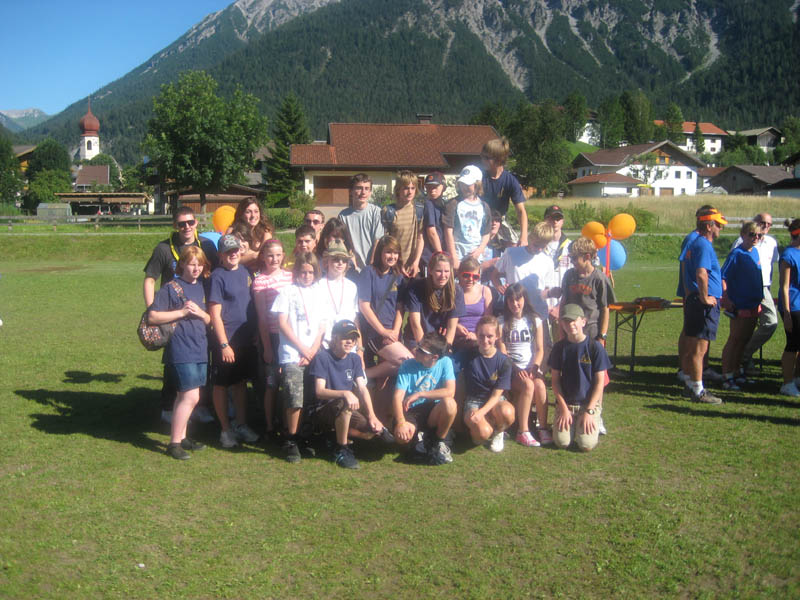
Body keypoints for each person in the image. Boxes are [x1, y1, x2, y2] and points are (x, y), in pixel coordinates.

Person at [143, 206, 218, 425]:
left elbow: (214, 274)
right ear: (175, 226)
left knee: (203, 359)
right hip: (173, 313)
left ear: (196, 223)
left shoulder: (206, 245)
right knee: (174, 362)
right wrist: (153, 309)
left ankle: (201, 405)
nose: (186, 227)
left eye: (190, 222)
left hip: (200, 311)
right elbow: (150, 279)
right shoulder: (164, 248)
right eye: (181, 223)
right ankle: (168, 406)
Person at [147, 246, 212, 460]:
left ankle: (182, 437)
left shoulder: (201, 286)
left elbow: (209, 319)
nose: (196, 268)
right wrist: (181, 312)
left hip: (199, 348)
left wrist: (201, 313)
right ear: (182, 264)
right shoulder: (170, 288)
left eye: (200, 264)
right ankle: (174, 443)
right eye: (192, 264)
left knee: (184, 396)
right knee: (191, 396)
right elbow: (152, 317)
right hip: (180, 348)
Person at [308, 320, 388, 469]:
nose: (350, 341)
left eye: (353, 338)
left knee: (371, 431)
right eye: (345, 337)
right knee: (345, 403)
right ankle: (342, 449)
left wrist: (372, 416)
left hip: (345, 408)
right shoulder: (322, 357)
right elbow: (319, 391)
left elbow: (363, 388)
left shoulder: (355, 359)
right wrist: (345, 393)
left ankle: (331, 438)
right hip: (322, 409)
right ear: (334, 338)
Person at [271, 252, 326, 462]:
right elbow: (282, 324)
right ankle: (291, 439)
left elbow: (322, 327)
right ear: (296, 272)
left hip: (313, 354)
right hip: (293, 354)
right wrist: (302, 349)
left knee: (310, 398)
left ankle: (304, 436)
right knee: (294, 397)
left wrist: (312, 351)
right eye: (303, 272)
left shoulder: (319, 292)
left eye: (310, 272)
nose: (307, 276)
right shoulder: (287, 292)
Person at [208, 235, 260, 448]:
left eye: (236, 250)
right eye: (228, 251)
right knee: (221, 385)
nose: (233, 254)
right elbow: (215, 314)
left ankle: (241, 424)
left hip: (245, 339)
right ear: (220, 255)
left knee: (240, 384)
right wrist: (223, 344)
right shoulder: (217, 277)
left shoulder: (246, 272)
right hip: (227, 341)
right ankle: (225, 430)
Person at [680, 208, 728, 404]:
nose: (720, 228)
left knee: (693, 347)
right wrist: (704, 297)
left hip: (695, 301)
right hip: (702, 305)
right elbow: (701, 273)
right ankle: (698, 390)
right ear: (709, 226)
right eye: (718, 225)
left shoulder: (697, 243)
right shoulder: (703, 245)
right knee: (699, 349)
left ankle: (691, 384)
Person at [549, 304, 612, 452]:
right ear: (561, 324)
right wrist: (563, 408)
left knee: (585, 444)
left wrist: (590, 410)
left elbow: (600, 383)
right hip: (567, 404)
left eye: (573, 320)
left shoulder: (595, 347)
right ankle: (570, 423)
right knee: (562, 442)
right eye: (566, 321)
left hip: (588, 404)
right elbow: (555, 381)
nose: (570, 324)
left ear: (583, 322)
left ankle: (593, 419)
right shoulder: (559, 348)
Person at [498, 283, 552, 447]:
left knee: (540, 386)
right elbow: (503, 352)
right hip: (512, 369)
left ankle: (542, 428)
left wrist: (534, 367)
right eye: (511, 300)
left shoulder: (535, 320)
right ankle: (523, 431)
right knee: (528, 385)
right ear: (506, 302)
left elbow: (540, 349)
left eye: (518, 299)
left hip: (530, 367)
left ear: (524, 299)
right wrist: (516, 369)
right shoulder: (502, 322)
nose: (515, 304)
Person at [392, 331, 457, 465]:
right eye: (418, 346)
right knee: (402, 437)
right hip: (412, 411)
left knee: (450, 404)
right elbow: (398, 396)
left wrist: (420, 394)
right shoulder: (407, 365)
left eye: (421, 351)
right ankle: (422, 437)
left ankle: (438, 442)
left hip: (433, 409)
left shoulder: (445, 362)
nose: (416, 350)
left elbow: (450, 391)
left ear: (434, 357)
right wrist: (400, 422)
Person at [252, 239, 293, 438]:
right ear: (263, 257)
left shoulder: (290, 277)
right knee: (272, 383)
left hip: (289, 336)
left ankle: (287, 424)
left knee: (288, 381)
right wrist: (267, 347)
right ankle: (269, 425)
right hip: (272, 336)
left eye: (278, 255)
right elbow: (262, 317)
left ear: (283, 255)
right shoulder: (260, 281)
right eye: (270, 255)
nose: (274, 259)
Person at [732, 213, 779, 375]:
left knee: (768, 323)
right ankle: (743, 357)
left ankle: (744, 355)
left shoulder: (772, 242)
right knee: (756, 324)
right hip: (746, 289)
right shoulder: (742, 241)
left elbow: (770, 266)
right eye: (762, 222)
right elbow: (733, 266)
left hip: (764, 288)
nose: (766, 226)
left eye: (769, 224)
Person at [460, 315, 515, 453]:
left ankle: (499, 431)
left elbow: (497, 395)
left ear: (497, 336)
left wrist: (481, 413)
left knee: (507, 412)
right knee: (482, 434)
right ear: (476, 335)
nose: (485, 340)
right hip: (473, 402)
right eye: (481, 336)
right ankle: (486, 427)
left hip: (495, 401)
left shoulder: (504, 361)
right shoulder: (468, 355)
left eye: (490, 336)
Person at [720, 221, 764, 390]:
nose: (756, 238)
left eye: (759, 235)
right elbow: (723, 277)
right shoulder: (736, 254)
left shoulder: (755, 252)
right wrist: (726, 298)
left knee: (744, 340)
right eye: (752, 234)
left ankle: (737, 372)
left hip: (754, 304)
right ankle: (727, 375)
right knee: (735, 340)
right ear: (743, 235)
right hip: (740, 304)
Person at [491, 221, 557, 323]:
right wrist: (500, 287)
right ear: (530, 238)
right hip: (515, 312)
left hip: (538, 314)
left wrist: (551, 295)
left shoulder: (548, 261)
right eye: (536, 245)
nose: (539, 249)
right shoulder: (511, 253)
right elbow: (495, 275)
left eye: (543, 246)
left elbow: (546, 289)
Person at [357, 235, 406, 364]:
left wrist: (395, 332)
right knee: (407, 362)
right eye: (388, 252)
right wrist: (383, 331)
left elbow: (400, 308)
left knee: (393, 368)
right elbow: (364, 306)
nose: (392, 256)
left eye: (396, 253)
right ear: (380, 253)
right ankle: (365, 373)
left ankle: (367, 375)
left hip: (393, 333)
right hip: (375, 333)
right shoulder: (368, 272)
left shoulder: (398, 277)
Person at [560, 236, 615, 343]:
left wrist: (602, 337)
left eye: (574, 258)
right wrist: (561, 332)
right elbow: (563, 303)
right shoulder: (569, 276)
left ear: (587, 257)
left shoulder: (599, 278)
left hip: (591, 333)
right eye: (570, 257)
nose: (571, 261)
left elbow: (605, 309)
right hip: (570, 331)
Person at [405, 252, 465, 348]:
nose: (443, 275)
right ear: (430, 270)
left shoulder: (457, 291)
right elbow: (415, 324)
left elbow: (451, 328)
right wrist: (424, 349)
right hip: (417, 340)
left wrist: (446, 349)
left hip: (441, 341)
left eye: (446, 271)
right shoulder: (416, 287)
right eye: (438, 271)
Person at [480, 137, 528, 247]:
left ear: (498, 160)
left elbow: (521, 211)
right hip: (480, 219)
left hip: (500, 219)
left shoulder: (510, 181)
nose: (482, 160)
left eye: (486, 157)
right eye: (481, 156)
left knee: (515, 246)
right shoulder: (479, 177)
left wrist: (524, 237)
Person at [443, 165, 491, 269]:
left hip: (476, 255)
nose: (464, 187)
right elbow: (448, 231)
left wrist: (479, 250)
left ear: (477, 184)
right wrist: (453, 256)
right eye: (462, 184)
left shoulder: (484, 206)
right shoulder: (453, 204)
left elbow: (486, 233)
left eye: (468, 184)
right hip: (458, 253)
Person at [338, 173, 384, 272]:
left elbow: (377, 241)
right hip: (351, 267)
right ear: (351, 191)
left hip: (372, 267)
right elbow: (344, 243)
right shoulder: (343, 216)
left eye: (367, 189)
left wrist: (371, 265)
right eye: (359, 188)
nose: (363, 192)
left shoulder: (376, 212)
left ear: (370, 192)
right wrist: (353, 264)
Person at [382, 170, 424, 278]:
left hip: (413, 269)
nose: (410, 192)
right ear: (398, 189)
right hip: (393, 268)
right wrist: (396, 264)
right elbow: (385, 242)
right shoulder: (389, 211)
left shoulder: (419, 210)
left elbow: (420, 239)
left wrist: (416, 262)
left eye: (413, 188)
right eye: (406, 188)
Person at [318, 240, 359, 347]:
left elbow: (355, 318)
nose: (340, 262)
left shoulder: (352, 286)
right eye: (336, 259)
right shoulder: (318, 285)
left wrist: (359, 347)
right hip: (325, 343)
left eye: (344, 260)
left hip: (348, 343)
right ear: (327, 261)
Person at [778, 218, 800, 397]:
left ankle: (797, 377)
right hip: (793, 306)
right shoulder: (788, 255)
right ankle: (787, 383)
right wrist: (786, 314)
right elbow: (784, 287)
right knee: (793, 344)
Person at [454, 257, 493, 350]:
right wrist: (455, 326)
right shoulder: (452, 291)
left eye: (475, 277)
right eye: (466, 275)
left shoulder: (485, 291)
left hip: (481, 339)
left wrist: (477, 335)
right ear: (459, 274)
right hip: (458, 338)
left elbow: (488, 321)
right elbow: (444, 318)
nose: (470, 279)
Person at [541, 205, 571, 321]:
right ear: (545, 220)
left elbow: (573, 280)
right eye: (552, 218)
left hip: (563, 306)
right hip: (541, 305)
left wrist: (559, 307)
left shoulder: (571, 247)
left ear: (563, 221)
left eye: (558, 218)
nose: (555, 221)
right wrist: (546, 306)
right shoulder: (538, 247)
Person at [227, 199, 273, 269]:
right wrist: (254, 256)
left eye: (256, 211)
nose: (253, 215)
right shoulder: (233, 231)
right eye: (248, 212)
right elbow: (227, 259)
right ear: (241, 214)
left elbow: (265, 257)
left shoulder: (265, 232)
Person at [421, 171, 450, 272]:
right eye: (429, 187)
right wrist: (441, 254)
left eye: (435, 187)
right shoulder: (429, 204)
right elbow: (431, 232)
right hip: (431, 256)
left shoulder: (444, 204)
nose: (432, 190)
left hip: (443, 253)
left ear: (443, 187)